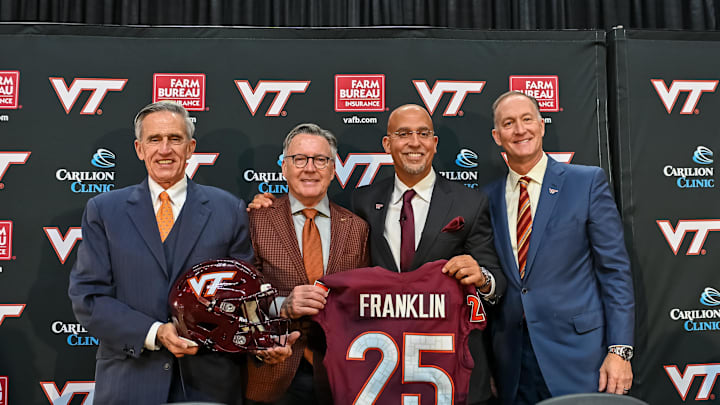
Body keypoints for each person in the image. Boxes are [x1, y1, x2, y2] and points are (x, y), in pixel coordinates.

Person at [68, 101, 297, 405]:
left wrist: (261, 342)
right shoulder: (104, 211)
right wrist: (155, 332)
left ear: (190, 148)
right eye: (154, 139)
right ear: (139, 148)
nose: (165, 149)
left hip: (209, 385)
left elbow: (242, 298)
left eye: (175, 139)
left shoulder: (228, 209)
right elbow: (89, 298)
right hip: (130, 384)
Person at [483, 91, 635, 404]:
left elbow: (615, 271)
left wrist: (619, 351)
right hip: (512, 361)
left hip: (580, 357)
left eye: (527, 119)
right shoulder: (488, 198)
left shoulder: (586, 182)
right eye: (508, 124)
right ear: (498, 137)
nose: (520, 130)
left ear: (541, 125)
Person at [350, 104, 506, 405]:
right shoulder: (363, 200)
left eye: (423, 133)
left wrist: (482, 278)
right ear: (387, 144)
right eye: (403, 133)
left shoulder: (470, 202)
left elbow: (496, 278)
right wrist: (267, 206)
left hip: (450, 363)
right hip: (383, 364)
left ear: (434, 144)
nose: (414, 142)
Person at [244, 123, 370, 404]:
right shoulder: (254, 220)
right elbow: (240, 295)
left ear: (333, 169)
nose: (309, 168)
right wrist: (281, 305)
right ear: (284, 168)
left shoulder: (357, 228)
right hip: (273, 373)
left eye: (320, 160)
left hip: (342, 373)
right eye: (299, 159)